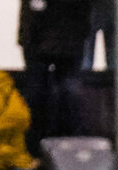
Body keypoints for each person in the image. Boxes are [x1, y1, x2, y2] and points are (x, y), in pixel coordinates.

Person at [18, 0, 90, 152]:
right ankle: (36, 149)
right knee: (37, 94)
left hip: (67, 35)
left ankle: (67, 148)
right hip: (40, 35)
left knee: (68, 94)